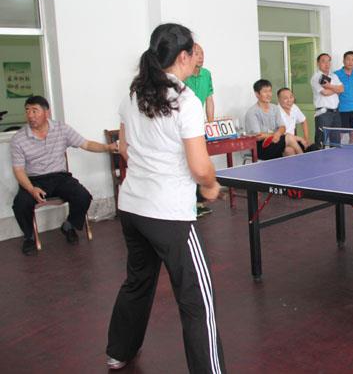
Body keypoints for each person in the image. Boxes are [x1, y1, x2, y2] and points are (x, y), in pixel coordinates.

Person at [106, 23, 225, 372]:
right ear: (183, 56)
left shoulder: (133, 95)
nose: (197, 59)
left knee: (137, 282)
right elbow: (200, 166)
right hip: (170, 215)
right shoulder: (186, 101)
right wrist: (210, 185)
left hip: (132, 207)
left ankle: (118, 352)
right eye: (194, 53)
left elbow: (124, 148)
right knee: (197, 300)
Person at [10, 95, 117, 256]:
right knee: (20, 204)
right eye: (27, 111)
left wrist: (107, 147)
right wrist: (31, 189)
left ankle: (69, 226)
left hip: (59, 177)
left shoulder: (61, 129)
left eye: (34, 110)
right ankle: (29, 237)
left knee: (83, 196)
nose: (30, 115)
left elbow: (86, 144)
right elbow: (18, 170)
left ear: (46, 113)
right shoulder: (18, 139)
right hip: (34, 180)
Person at [183, 43, 215, 218]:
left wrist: (211, 124)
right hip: (184, 126)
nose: (201, 57)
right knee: (189, 164)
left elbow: (209, 99)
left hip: (199, 125)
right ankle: (190, 203)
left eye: (202, 53)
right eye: (197, 53)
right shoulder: (183, 76)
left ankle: (199, 202)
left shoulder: (207, 74)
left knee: (200, 162)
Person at [244, 79, 302, 159]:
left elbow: (282, 127)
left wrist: (278, 134)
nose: (268, 94)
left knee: (289, 150)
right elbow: (258, 136)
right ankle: (304, 159)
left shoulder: (275, 108)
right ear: (257, 94)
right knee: (288, 137)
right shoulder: (252, 112)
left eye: (270, 91)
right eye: (265, 91)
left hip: (275, 141)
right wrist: (276, 134)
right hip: (260, 147)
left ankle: (297, 166)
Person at [310, 53, 343, 146]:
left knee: (336, 142)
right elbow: (325, 93)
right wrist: (336, 89)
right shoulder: (316, 77)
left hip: (336, 112)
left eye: (328, 61)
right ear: (318, 63)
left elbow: (342, 89)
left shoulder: (334, 76)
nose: (327, 64)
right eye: (323, 61)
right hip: (323, 113)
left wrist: (329, 86)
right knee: (321, 142)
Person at [335, 51, 353, 143]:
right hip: (341, 110)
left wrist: (352, 99)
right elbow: (334, 91)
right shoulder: (336, 74)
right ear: (343, 61)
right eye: (348, 59)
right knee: (338, 137)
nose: (350, 62)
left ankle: (352, 152)